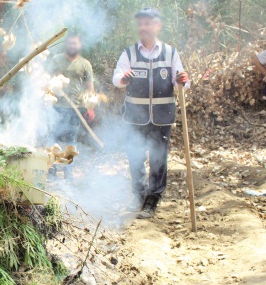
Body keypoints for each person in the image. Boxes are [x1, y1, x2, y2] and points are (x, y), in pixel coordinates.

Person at [112, 8, 190, 219]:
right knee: (135, 157)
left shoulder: (170, 53)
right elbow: (117, 77)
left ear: (157, 26)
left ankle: (152, 200)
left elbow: (182, 81)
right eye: (140, 23)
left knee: (158, 159)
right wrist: (123, 78)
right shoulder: (129, 53)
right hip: (135, 117)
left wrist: (183, 79)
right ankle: (138, 196)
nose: (143, 27)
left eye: (148, 23)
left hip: (162, 117)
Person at [48, 33, 95, 178]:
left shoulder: (85, 63)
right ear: (66, 44)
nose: (72, 46)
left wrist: (91, 107)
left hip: (76, 107)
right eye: (70, 43)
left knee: (71, 140)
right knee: (53, 138)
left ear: (79, 45)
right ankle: (52, 168)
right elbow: (47, 82)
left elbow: (89, 87)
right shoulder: (56, 60)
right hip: (56, 106)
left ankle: (68, 171)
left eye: (75, 43)